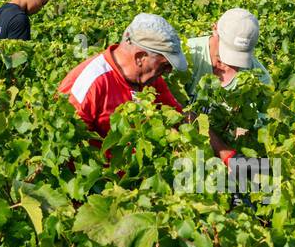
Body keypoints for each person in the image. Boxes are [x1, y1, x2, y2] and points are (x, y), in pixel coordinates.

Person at [58, 12, 238, 162]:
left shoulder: (149, 79)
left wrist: (225, 154)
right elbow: (67, 150)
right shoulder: (89, 84)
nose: (168, 72)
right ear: (140, 57)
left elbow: (179, 116)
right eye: (164, 65)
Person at [177, 8, 272, 102]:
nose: (233, 62)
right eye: (229, 49)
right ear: (215, 30)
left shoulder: (260, 79)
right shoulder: (186, 54)